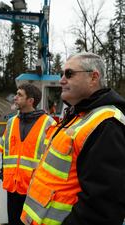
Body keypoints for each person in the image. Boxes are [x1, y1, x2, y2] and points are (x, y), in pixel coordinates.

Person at [20, 52, 125, 225]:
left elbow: (102, 207)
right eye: (62, 74)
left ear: (93, 77)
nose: (62, 80)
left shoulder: (106, 124)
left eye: (69, 74)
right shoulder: (78, 115)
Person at [0, 83, 56, 225]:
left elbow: (53, 158)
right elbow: (4, 149)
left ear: (31, 101)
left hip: (34, 190)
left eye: (19, 95)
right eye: (16, 94)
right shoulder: (11, 122)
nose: (15, 98)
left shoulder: (49, 124)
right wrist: (3, 170)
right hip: (13, 187)